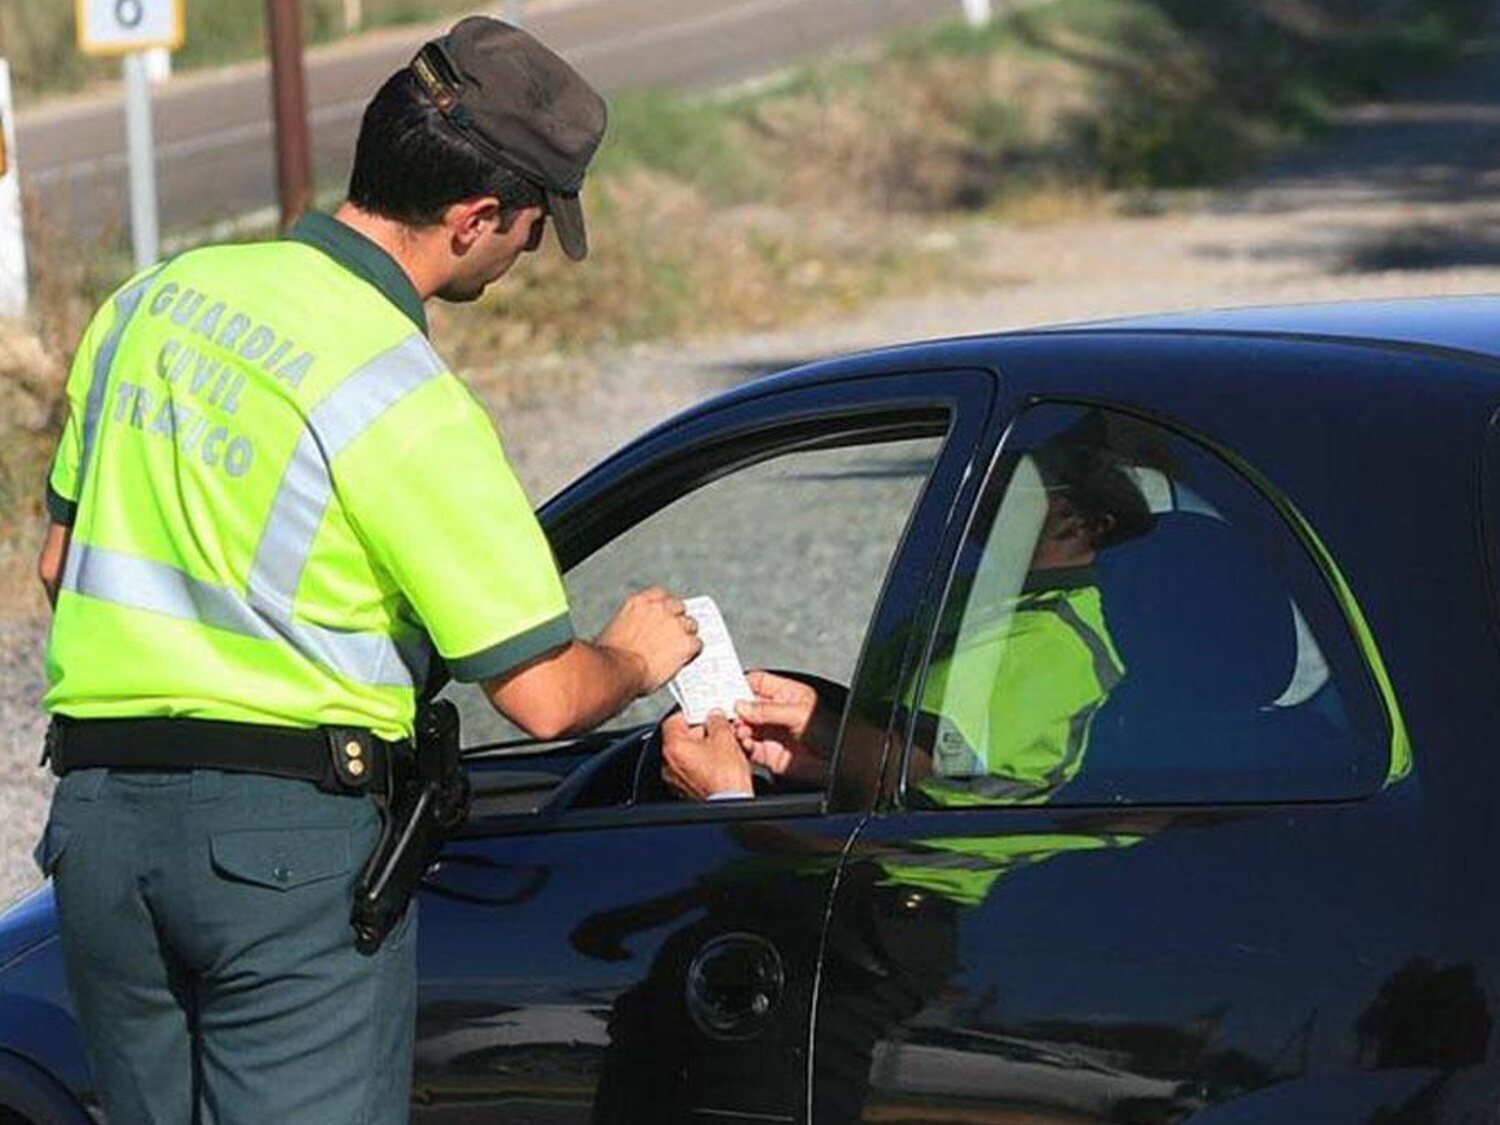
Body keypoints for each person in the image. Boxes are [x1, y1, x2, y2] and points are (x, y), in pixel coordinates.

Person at [32, 17, 701, 1125]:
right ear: (476, 216)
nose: (527, 255)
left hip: (99, 829)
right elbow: (542, 698)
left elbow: (64, 563)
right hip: (282, 851)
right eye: (535, 230)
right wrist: (632, 656)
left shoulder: (148, 306)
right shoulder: (403, 397)